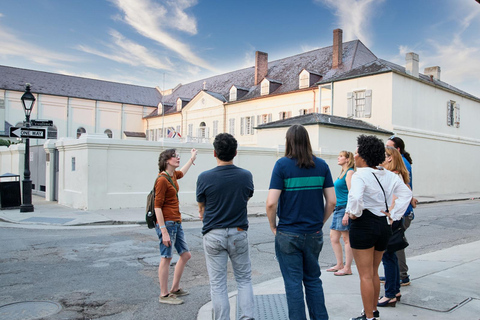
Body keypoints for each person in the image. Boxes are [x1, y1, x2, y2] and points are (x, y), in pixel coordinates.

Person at [266, 124, 336, 320]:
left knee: (293, 283)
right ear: (307, 141)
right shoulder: (322, 166)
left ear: (289, 142)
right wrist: (320, 222)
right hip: (313, 233)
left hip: (288, 233)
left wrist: (273, 226)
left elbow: (271, 203)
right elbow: (332, 201)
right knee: (313, 280)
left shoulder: (282, 165)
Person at [346, 135, 412, 320]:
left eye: (357, 152)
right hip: (383, 224)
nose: (355, 155)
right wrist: (395, 214)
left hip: (364, 225)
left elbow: (356, 199)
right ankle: (373, 311)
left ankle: (369, 317)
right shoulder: (389, 174)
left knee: (365, 275)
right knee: (373, 272)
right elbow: (406, 194)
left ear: (364, 156)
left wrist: (353, 213)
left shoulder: (360, 175)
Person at [197, 133, 255, 320]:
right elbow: (246, 197)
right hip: (238, 232)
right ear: (235, 152)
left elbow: (201, 208)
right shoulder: (246, 175)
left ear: (214, 153)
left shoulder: (204, 177)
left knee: (218, 284)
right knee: (244, 279)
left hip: (213, 233)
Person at [155, 148, 197, 305]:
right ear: (167, 160)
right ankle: (164, 295)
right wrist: (163, 230)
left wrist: (192, 158)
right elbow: (157, 207)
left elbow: (182, 172)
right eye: (174, 156)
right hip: (168, 223)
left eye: (178, 156)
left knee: (185, 255)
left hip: (176, 222)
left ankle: (175, 288)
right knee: (166, 257)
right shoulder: (162, 180)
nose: (177, 158)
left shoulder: (172, 176)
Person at [377, 146, 410, 308]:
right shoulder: (396, 174)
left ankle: (390, 294)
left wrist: (390, 215)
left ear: (390, 158)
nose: (381, 158)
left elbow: (396, 199)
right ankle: (395, 291)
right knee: (391, 257)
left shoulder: (393, 175)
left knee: (388, 257)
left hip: (390, 220)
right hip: (394, 219)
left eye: (383, 155)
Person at [386, 136, 417, 286]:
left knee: (394, 245)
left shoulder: (399, 166)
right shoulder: (399, 167)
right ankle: (395, 274)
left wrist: (392, 214)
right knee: (393, 246)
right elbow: (407, 188)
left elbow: (403, 190)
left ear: (395, 152)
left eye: (388, 148)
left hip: (401, 214)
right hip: (403, 212)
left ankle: (401, 276)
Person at [327, 151, 355, 276]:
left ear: (348, 159)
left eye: (341, 156)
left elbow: (351, 193)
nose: (338, 158)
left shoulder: (349, 172)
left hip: (344, 208)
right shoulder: (342, 173)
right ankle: (340, 264)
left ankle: (348, 267)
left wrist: (347, 213)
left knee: (346, 239)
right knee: (333, 237)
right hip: (338, 208)